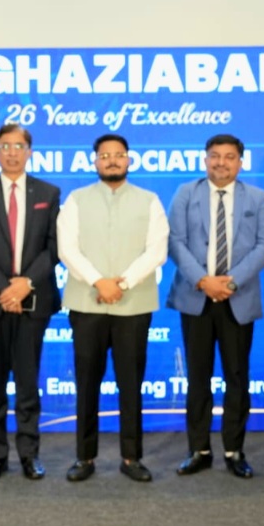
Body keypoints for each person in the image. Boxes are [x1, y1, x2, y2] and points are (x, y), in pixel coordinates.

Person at [57, 134, 168, 482]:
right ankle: (84, 457)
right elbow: (67, 249)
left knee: (131, 383)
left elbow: (156, 251)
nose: (112, 160)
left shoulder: (150, 201)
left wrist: (122, 284)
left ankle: (131, 458)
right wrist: (98, 282)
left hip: (133, 305)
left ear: (129, 160)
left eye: (118, 155)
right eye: (105, 155)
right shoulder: (76, 200)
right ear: (95, 161)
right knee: (87, 383)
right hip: (86, 304)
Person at [166, 134, 264, 479]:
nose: (221, 163)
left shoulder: (257, 197)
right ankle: (198, 450)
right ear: (205, 159)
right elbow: (174, 242)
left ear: (240, 163)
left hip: (237, 298)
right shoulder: (186, 193)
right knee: (197, 377)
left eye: (229, 157)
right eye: (215, 156)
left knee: (237, 377)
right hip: (195, 297)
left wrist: (230, 282)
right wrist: (203, 280)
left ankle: (234, 450)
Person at [0, 125, 61, 480]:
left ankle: (29, 454)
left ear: (29, 151)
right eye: (5, 146)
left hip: (34, 301)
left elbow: (55, 247)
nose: (12, 153)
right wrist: (6, 288)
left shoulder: (48, 193)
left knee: (28, 383)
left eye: (19, 146)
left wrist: (25, 284)